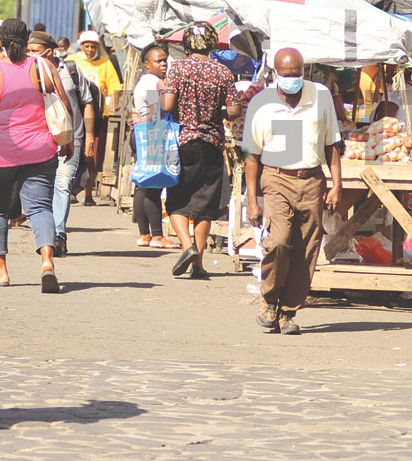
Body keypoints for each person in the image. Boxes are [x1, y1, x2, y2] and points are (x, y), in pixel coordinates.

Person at [244, 48, 342, 335]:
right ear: (275, 74)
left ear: (304, 71)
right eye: (286, 75)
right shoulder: (260, 103)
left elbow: (331, 145)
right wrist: (253, 201)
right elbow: (251, 156)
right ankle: (269, 298)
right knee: (279, 241)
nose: (292, 80)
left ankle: (288, 311)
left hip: (312, 180)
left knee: (306, 249)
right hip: (276, 179)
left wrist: (336, 185)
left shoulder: (321, 96)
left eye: (296, 74)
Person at [0, 19, 72, 292]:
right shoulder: (43, 66)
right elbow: (63, 103)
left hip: (1, 154)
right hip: (41, 149)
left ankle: (1, 270)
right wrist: (67, 140)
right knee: (41, 208)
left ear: (0, 41)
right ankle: (47, 264)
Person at [162, 21, 243, 279]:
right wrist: (216, 110)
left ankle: (187, 246)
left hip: (182, 142)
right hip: (212, 142)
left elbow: (167, 105)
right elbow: (234, 110)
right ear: (211, 44)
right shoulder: (223, 72)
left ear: (186, 45)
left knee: (178, 199)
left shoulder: (178, 69)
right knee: (205, 204)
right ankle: (198, 264)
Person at [26, 30, 96, 256]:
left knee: (62, 184)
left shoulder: (72, 70)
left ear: (49, 51)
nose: (31, 55)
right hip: (40, 139)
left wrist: (89, 136)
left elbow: (87, 103)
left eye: (35, 51)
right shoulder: (28, 72)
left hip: (70, 137)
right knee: (43, 188)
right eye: (28, 51)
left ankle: (58, 235)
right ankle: (46, 235)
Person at [130, 44, 180, 250]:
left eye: (165, 60)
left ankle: (144, 234)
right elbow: (155, 110)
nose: (163, 64)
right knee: (152, 186)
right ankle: (158, 236)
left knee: (143, 185)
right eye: (158, 61)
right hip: (154, 133)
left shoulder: (144, 81)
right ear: (147, 64)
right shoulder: (153, 83)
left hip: (143, 134)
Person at [67, 30, 122, 206]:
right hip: (75, 115)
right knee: (73, 153)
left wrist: (114, 104)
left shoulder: (106, 64)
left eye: (93, 46)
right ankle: (69, 190)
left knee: (94, 158)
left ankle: (88, 193)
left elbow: (114, 87)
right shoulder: (72, 60)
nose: (90, 49)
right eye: (86, 46)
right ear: (81, 46)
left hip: (98, 115)